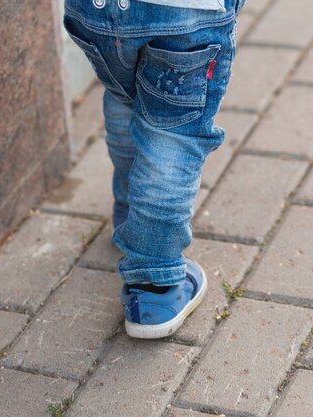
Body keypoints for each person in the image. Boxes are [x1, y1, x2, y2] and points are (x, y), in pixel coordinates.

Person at [63, 0, 244, 339]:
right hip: (182, 12)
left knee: (126, 98)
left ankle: (132, 212)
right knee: (171, 134)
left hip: (97, 12)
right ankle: (153, 284)